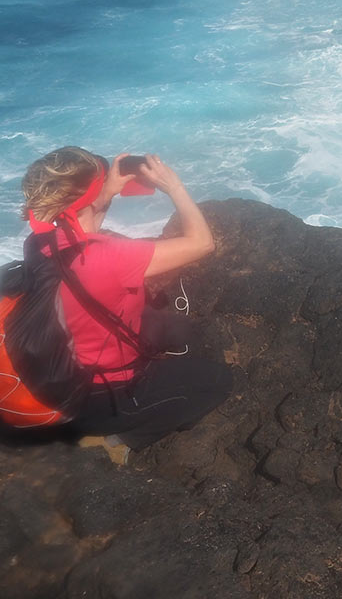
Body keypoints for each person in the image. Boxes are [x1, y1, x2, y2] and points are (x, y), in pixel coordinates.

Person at [19, 145, 231, 451]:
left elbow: (83, 231)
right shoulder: (111, 257)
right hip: (104, 398)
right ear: (90, 198)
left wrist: (105, 193)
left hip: (65, 378)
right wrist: (174, 187)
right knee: (219, 381)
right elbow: (202, 243)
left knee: (175, 330)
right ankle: (120, 440)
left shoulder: (39, 242)